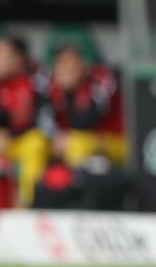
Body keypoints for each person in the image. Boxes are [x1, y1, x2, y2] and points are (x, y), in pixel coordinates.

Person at [44, 43, 127, 168]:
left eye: (71, 63)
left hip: (116, 141)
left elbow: (86, 121)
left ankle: (79, 185)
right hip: (77, 141)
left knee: (76, 144)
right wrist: (54, 137)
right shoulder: (53, 88)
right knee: (38, 144)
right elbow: (43, 120)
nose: (67, 69)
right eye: (61, 63)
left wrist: (69, 93)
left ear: (83, 64)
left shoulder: (101, 80)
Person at [0, 36, 51, 206]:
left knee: (35, 143)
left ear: (18, 59)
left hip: (25, 139)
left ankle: (28, 206)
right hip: (4, 142)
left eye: (2, 53)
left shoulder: (35, 79)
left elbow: (40, 117)